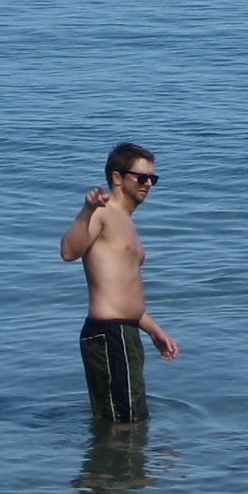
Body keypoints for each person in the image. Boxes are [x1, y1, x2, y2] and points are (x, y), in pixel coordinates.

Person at [60, 143, 179, 427]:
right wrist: (87, 210)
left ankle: (113, 458)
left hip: (126, 332)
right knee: (126, 422)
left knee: (128, 418)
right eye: (141, 177)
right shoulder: (102, 212)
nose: (148, 184)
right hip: (109, 333)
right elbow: (69, 252)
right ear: (117, 177)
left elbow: (123, 291)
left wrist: (154, 330)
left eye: (152, 178)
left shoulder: (126, 221)